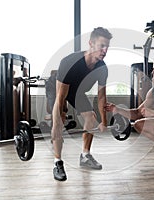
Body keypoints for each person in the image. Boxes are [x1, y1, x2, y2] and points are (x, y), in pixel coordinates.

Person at [51, 27, 113, 181]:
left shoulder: (102, 68)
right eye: (101, 46)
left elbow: (101, 97)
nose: (105, 50)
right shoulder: (70, 63)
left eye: (107, 47)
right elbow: (61, 97)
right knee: (59, 121)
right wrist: (58, 121)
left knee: (91, 118)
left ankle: (85, 156)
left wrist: (104, 122)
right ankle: (57, 162)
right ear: (91, 43)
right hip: (58, 89)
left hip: (77, 91)